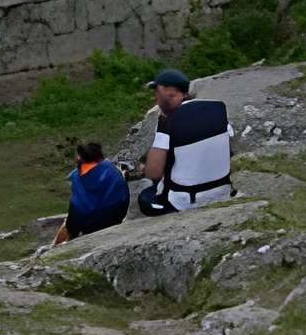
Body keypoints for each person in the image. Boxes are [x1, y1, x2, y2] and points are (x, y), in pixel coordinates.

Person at [136, 69, 233, 214]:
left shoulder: (166, 122)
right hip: (223, 193)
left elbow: (154, 173)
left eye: (157, 90)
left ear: (169, 91)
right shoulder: (217, 109)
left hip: (185, 202)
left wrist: (147, 166)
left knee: (145, 195)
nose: (155, 96)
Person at [52, 141, 131, 245]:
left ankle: (58, 245)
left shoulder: (79, 178)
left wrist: (71, 229)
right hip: (116, 216)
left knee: (69, 222)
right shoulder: (112, 170)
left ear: (81, 157)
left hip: (94, 224)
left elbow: (78, 209)